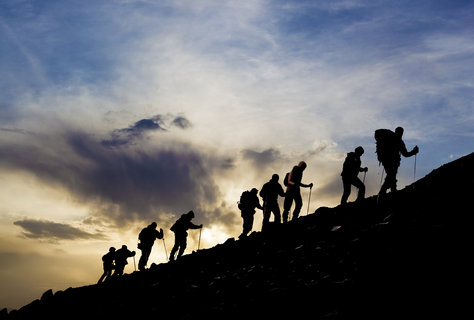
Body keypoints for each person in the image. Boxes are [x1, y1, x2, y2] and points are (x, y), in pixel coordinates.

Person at [375, 126, 419, 195]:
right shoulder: (398, 141)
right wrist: (414, 152)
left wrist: (413, 152)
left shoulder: (395, 139)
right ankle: (384, 193)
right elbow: (406, 154)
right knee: (391, 176)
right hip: (391, 162)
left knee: (391, 176)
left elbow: (405, 154)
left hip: (389, 161)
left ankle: (390, 192)